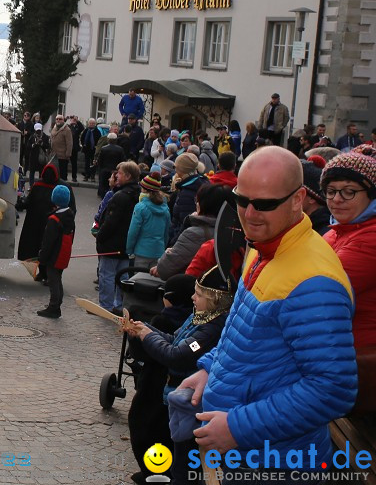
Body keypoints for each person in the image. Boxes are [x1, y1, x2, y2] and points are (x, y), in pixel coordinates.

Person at [176, 146, 356, 468]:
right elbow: (243, 335)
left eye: (265, 204)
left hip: (274, 462)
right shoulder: (264, 245)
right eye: (241, 200)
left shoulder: (315, 282)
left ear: (298, 199)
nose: (249, 213)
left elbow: (333, 389)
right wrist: (209, 369)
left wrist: (237, 428)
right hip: (246, 452)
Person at [126, 267, 234, 484]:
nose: (193, 297)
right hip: (177, 398)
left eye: (199, 295)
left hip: (191, 405)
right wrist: (143, 328)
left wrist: (147, 337)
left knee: (185, 467)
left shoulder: (211, 329)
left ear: (214, 300)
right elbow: (173, 339)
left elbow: (178, 355)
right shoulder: (200, 318)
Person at [321, 145, 376, 357]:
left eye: (349, 191)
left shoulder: (371, 237)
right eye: (331, 191)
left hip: (358, 355)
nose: (336, 199)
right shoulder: (335, 231)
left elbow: (318, 285)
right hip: (335, 347)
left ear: (371, 195)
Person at [153, 183, 229, 280]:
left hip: (191, 289)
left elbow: (164, 269)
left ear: (202, 205)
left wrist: (168, 253)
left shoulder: (194, 234)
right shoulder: (233, 232)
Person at [96, 162, 141, 315]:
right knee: (122, 275)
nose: (117, 176)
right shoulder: (137, 193)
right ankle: (120, 304)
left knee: (107, 275)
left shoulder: (120, 196)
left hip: (112, 243)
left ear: (128, 176)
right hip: (126, 244)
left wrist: (100, 236)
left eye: (120, 173)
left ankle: (106, 306)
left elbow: (111, 221)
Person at [36, 186, 74, 318]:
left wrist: (42, 256)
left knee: (53, 281)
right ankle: (58, 303)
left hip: (54, 255)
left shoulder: (54, 219)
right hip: (63, 253)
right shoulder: (69, 215)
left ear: (54, 199)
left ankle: (54, 307)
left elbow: (48, 241)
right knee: (58, 278)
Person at [16, 162, 63, 263]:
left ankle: (35, 267)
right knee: (45, 246)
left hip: (33, 223)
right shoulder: (57, 189)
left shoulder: (37, 186)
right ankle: (43, 271)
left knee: (33, 246)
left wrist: (18, 204)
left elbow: (28, 202)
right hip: (48, 223)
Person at [126, 173, 171, 271]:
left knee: (138, 279)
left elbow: (133, 231)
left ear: (145, 189)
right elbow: (166, 232)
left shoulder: (140, 207)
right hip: (158, 251)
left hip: (142, 251)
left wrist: (129, 249)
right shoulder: (165, 208)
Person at [96, 132, 125, 198]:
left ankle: (103, 197)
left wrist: (100, 168)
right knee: (114, 184)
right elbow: (123, 160)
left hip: (104, 169)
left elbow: (100, 160)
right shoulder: (120, 149)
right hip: (115, 170)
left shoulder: (104, 148)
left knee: (103, 184)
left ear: (108, 139)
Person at [49, 115, 73, 181]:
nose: (58, 120)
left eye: (60, 119)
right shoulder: (54, 128)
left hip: (63, 156)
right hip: (54, 155)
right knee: (54, 173)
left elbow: (69, 143)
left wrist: (68, 154)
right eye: (57, 119)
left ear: (63, 120)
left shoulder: (67, 130)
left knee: (63, 175)